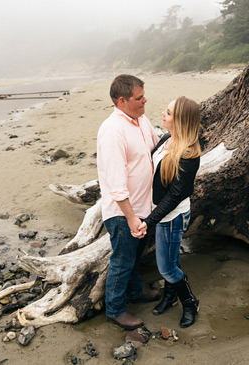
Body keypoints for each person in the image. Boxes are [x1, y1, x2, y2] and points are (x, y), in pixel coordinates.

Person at [96, 74, 161, 330]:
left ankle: (135, 293)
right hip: (123, 212)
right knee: (122, 261)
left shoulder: (141, 120)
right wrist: (131, 217)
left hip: (144, 207)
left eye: (144, 95)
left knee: (135, 256)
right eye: (139, 97)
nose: (146, 100)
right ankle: (115, 310)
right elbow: (115, 183)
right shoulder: (112, 130)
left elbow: (157, 147)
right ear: (122, 101)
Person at [138, 96, 202, 328]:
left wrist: (150, 221)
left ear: (181, 120)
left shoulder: (188, 154)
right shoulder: (167, 138)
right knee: (171, 261)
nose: (163, 114)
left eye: (168, 112)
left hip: (172, 217)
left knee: (167, 266)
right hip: (161, 213)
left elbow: (176, 195)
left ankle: (190, 302)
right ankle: (169, 296)